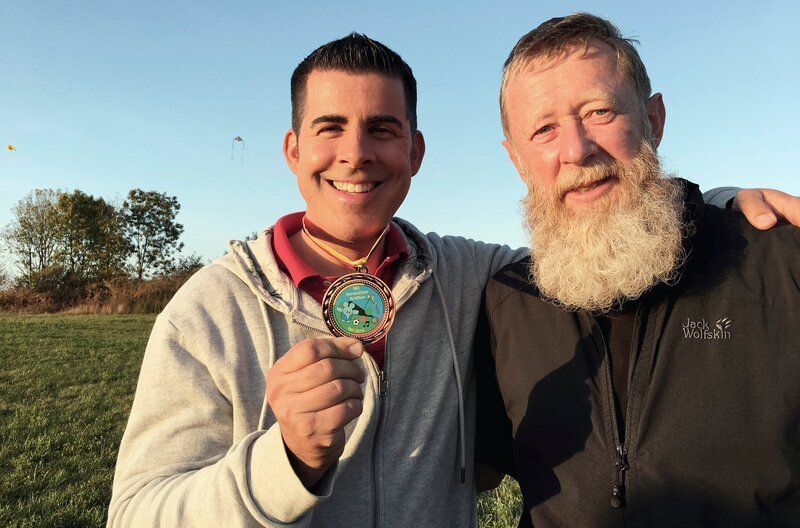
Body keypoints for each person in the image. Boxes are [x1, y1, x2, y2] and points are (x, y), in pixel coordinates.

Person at [108, 32, 796, 528]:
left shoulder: (480, 280)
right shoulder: (209, 309)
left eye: (382, 128)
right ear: (293, 150)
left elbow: (613, 230)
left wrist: (715, 210)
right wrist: (283, 461)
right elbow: (136, 514)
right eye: (329, 128)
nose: (355, 153)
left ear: (415, 151)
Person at [476, 12, 800, 527]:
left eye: (600, 111)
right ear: (517, 160)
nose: (576, 151)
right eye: (544, 130)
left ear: (654, 119)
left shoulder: (781, 268)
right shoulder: (505, 305)